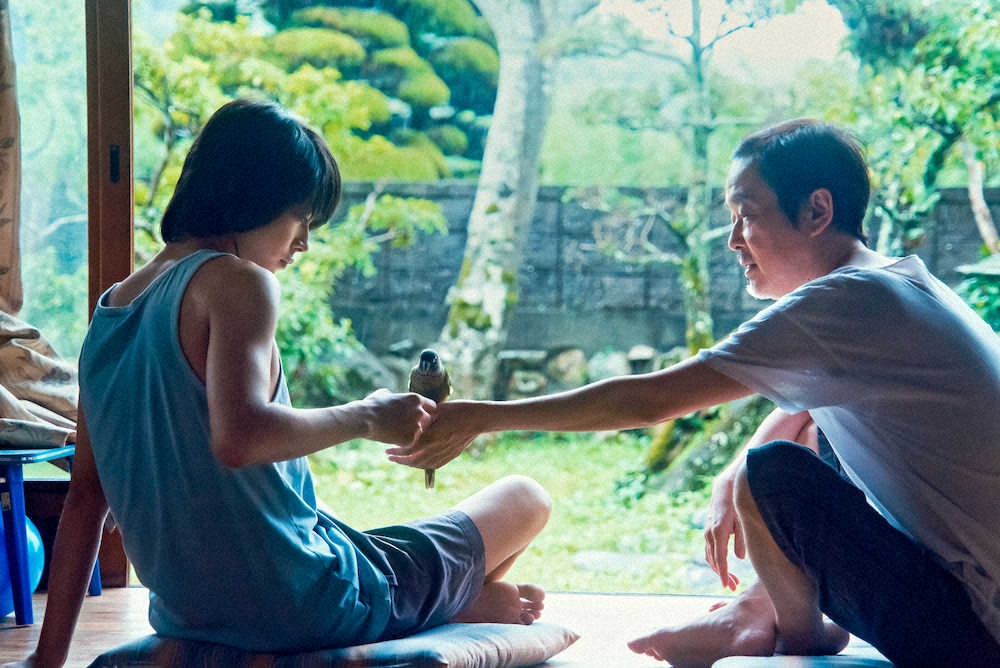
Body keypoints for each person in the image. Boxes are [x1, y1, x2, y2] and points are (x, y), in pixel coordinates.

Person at [393, 119, 1000, 667]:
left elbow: (647, 400)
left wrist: (482, 416)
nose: (734, 239)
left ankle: (788, 632)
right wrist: (730, 475)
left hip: (975, 632)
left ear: (816, 211)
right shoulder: (894, 286)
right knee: (778, 450)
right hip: (972, 604)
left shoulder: (842, 304)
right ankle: (757, 609)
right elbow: (814, 404)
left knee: (775, 472)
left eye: (747, 213)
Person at [9, 98, 549, 668]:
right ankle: (445, 603)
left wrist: (47, 659)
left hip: (186, 613)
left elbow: (85, 496)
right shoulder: (238, 282)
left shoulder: (110, 312)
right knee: (524, 498)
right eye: (302, 221)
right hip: (304, 603)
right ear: (254, 200)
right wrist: (367, 416)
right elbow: (239, 438)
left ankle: (443, 599)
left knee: (383, 547)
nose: (304, 243)